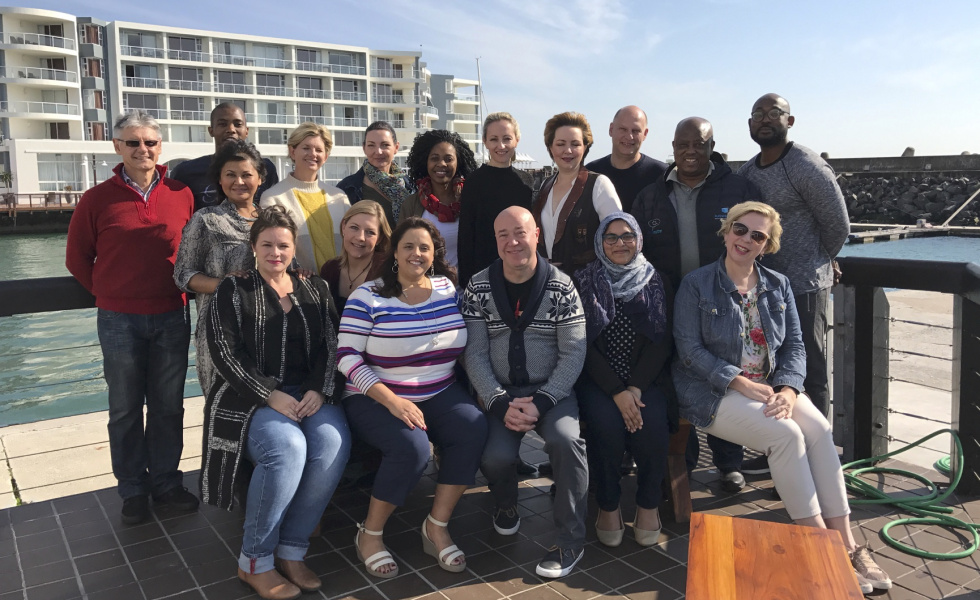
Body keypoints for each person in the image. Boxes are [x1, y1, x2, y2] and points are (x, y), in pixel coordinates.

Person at [672, 201, 891, 595]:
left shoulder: (779, 284)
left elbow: (795, 346)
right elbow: (688, 349)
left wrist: (789, 389)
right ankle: (820, 545)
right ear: (726, 231)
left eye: (758, 235)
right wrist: (740, 382)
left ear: (766, 245)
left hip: (773, 386)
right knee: (786, 435)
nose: (746, 240)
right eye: (740, 229)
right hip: (712, 390)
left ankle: (848, 543)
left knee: (820, 429)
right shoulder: (697, 284)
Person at [202, 206, 350, 600]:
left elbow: (331, 344)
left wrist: (319, 388)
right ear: (253, 247)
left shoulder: (314, 288)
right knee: (287, 448)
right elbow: (224, 353)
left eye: (283, 245)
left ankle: (292, 550)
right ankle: (254, 561)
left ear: (293, 247)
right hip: (250, 397)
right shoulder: (232, 291)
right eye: (266, 244)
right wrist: (270, 393)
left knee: (332, 443)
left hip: (310, 393)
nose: (275, 252)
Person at [66, 110, 197, 525]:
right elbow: (76, 259)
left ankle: (166, 484)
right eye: (133, 142)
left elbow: (192, 253)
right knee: (124, 408)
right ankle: (133, 491)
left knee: (168, 406)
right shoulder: (96, 199)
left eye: (150, 143)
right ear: (117, 147)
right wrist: (110, 292)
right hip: (118, 319)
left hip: (172, 315)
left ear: (161, 148)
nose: (143, 149)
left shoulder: (182, 193)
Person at [338, 217, 487, 578]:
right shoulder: (368, 296)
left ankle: (436, 525)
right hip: (376, 394)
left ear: (435, 253)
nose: (416, 254)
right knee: (413, 448)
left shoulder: (448, 288)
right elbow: (346, 356)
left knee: (472, 427)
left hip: (439, 389)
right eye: (408, 246)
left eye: (424, 247)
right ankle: (370, 534)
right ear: (394, 253)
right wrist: (392, 401)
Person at [631, 117, 761, 491]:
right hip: (670, 304)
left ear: (711, 146)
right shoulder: (651, 195)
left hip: (725, 302)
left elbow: (759, 241)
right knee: (680, 381)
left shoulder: (739, 189)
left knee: (726, 377)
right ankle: (684, 460)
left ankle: (728, 461)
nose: (690, 151)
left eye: (698, 144)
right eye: (682, 144)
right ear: (672, 147)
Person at [461, 206, 588, 579]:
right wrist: (498, 401)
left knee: (567, 442)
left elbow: (574, 350)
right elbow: (475, 352)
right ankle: (505, 504)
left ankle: (571, 539)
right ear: (495, 240)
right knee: (496, 457)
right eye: (503, 235)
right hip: (501, 394)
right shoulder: (478, 286)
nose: (513, 241)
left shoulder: (562, 286)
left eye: (520, 232)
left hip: (552, 392)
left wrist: (544, 400)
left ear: (537, 235)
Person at [737, 94, 850, 476]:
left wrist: (819, 261)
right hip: (763, 289)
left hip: (803, 286)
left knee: (810, 372)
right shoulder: (749, 171)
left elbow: (838, 225)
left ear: (791, 120)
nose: (765, 120)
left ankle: (818, 463)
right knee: (772, 371)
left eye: (774, 114)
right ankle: (782, 453)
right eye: (758, 115)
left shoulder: (806, 165)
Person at [573, 212, 674, 548]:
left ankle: (647, 505)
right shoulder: (584, 281)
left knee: (653, 426)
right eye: (611, 237)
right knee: (606, 428)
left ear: (639, 240)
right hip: (599, 381)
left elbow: (662, 342)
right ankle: (609, 504)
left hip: (645, 381)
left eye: (627, 235)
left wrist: (634, 388)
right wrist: (616, 390)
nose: (620, 243)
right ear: (600, 242)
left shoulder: (657, 280)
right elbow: (579, 343)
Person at [174, 139, 265, 393]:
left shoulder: (271, 219)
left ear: (260, 178)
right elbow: (183, 274)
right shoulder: (206, 219)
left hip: (266, 327)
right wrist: (226, 285)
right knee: (223, 406)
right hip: (219, 329)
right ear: (220, 180)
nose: (239, 181)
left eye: (247, 174)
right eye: (230, 175)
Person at [532, 112, 621, 277]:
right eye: (560, 144)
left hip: (585, 287)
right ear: (550, 147)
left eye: (575, 144)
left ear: (585, 147)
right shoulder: (546, 185)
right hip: (547, 283)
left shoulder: (599, 184)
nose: (568, 150)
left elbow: (617, 239)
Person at [457, 112, 535, 289]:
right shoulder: (474, 182)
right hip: (484, 275)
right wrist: (468, 282)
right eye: (494, 139)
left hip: (521, 271)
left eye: (507, 138)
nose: (501, 145)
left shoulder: (526, 182)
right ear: (485, 141)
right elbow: (466, 235)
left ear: (517, 140)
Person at [260, 122, 350, 273]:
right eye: (306, 148)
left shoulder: (339, 197)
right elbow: (271, 247)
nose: (313, 154)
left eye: (319, 150)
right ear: (292, 151)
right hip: (300, 286)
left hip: (341, 284)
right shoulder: (273, 197)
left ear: (326, 156)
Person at [170, 102, 279, 211]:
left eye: (238, 124)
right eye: (222, 124)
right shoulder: (185, 171)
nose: (231, 129)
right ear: (211, 131)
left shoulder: (265, 168)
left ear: (246, 131)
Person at [397, 129, 478, 268]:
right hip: (424, 286)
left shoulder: (472, 201)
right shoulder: (411, 205)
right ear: (425, 162)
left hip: (467, 287)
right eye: (434, 158)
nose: (441, 164)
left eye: (448, 159)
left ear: (458, 162)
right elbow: (400, 249)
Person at [585, 105, 667, 213]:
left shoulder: (662, 175)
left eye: (635, 131)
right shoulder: (590, 174)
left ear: (645, 134)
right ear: (611, 129)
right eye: (623, 129)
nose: (629, 136)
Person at [318, 200, 391, 313]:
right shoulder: (329, 269)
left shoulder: (387, 270)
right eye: (354, 228)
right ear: (343, 227)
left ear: (379, 238)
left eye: (370, 232)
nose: (360, 237)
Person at [337, 121, 410, 227]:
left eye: (385, 145)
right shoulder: (347, 189)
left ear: (396, 147)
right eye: (371, 145)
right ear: (364, 148)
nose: (378, 151)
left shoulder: (410, 185)